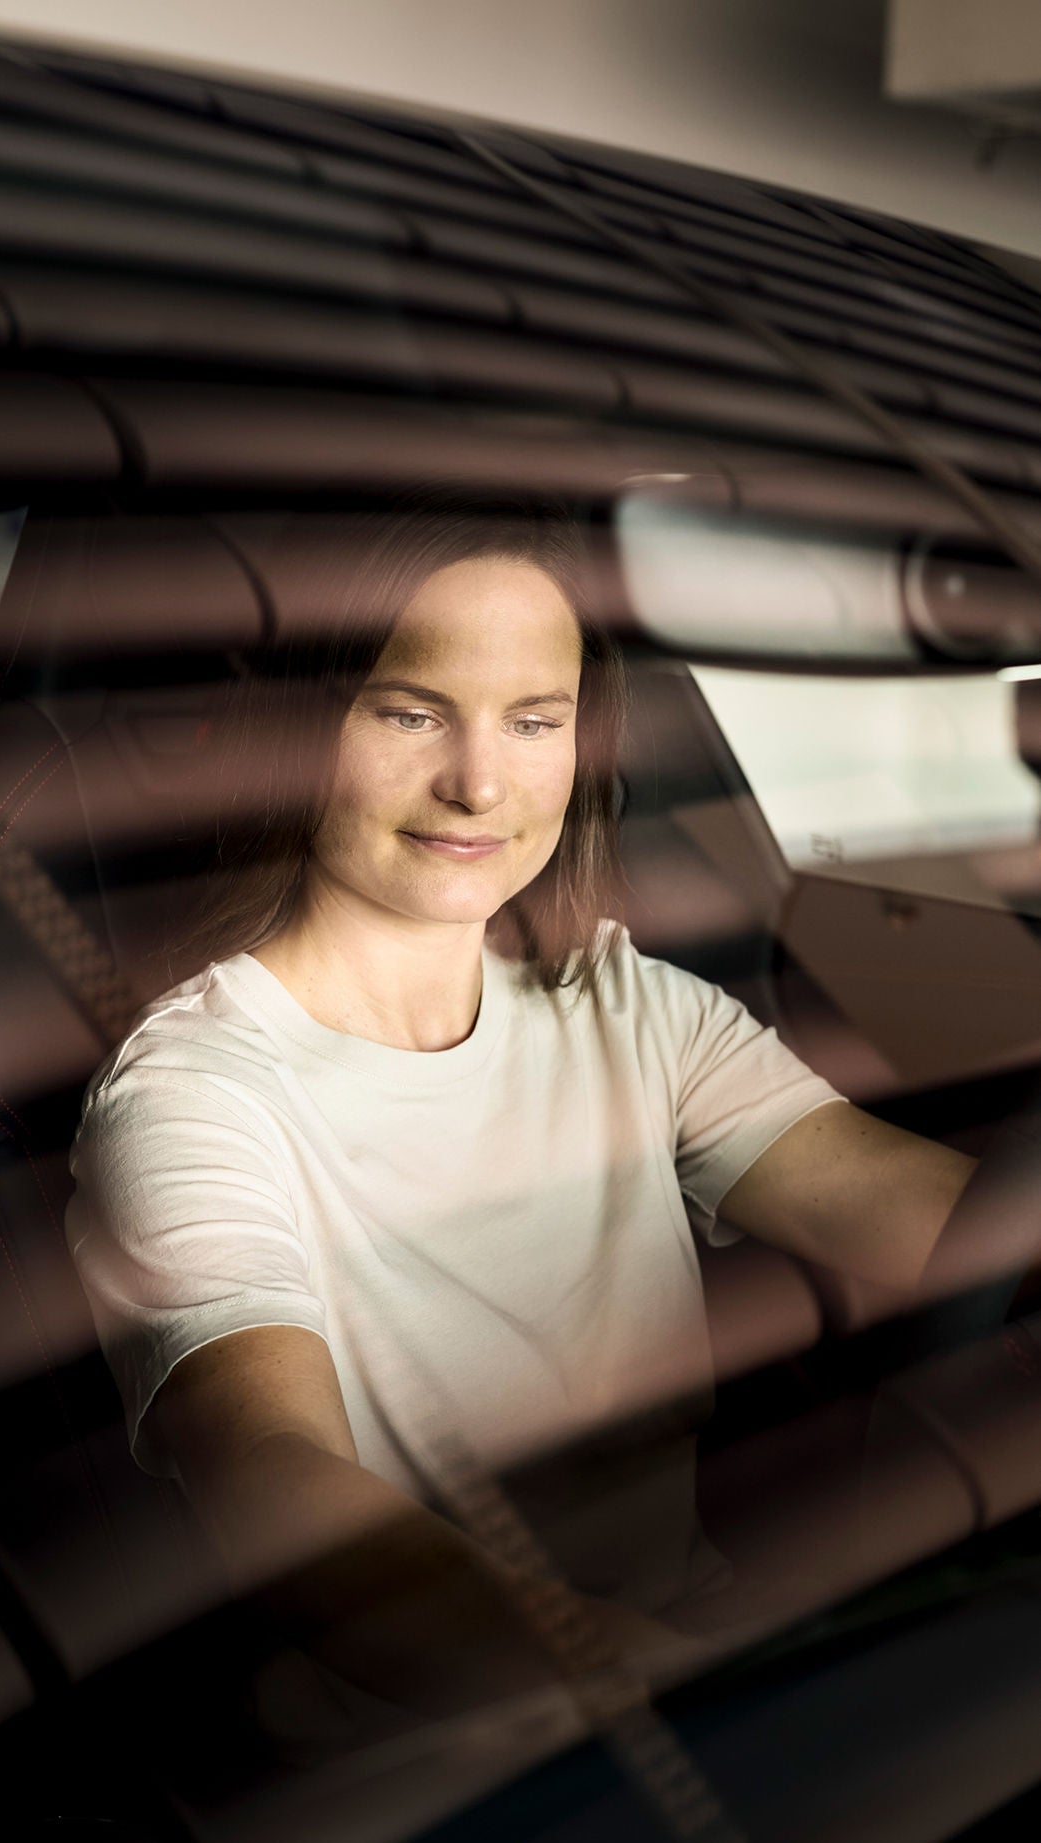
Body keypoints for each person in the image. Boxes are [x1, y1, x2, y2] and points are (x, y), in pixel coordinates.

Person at [65, 488, 978, 1748]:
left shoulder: (630, 1008)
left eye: (534, 721)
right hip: (438, 1762)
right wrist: (649, 1689)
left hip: (725, 1682)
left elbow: (954, 1226)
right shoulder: (192, 1094)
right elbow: (272, 1476)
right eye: (409, 713)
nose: (479, 783)